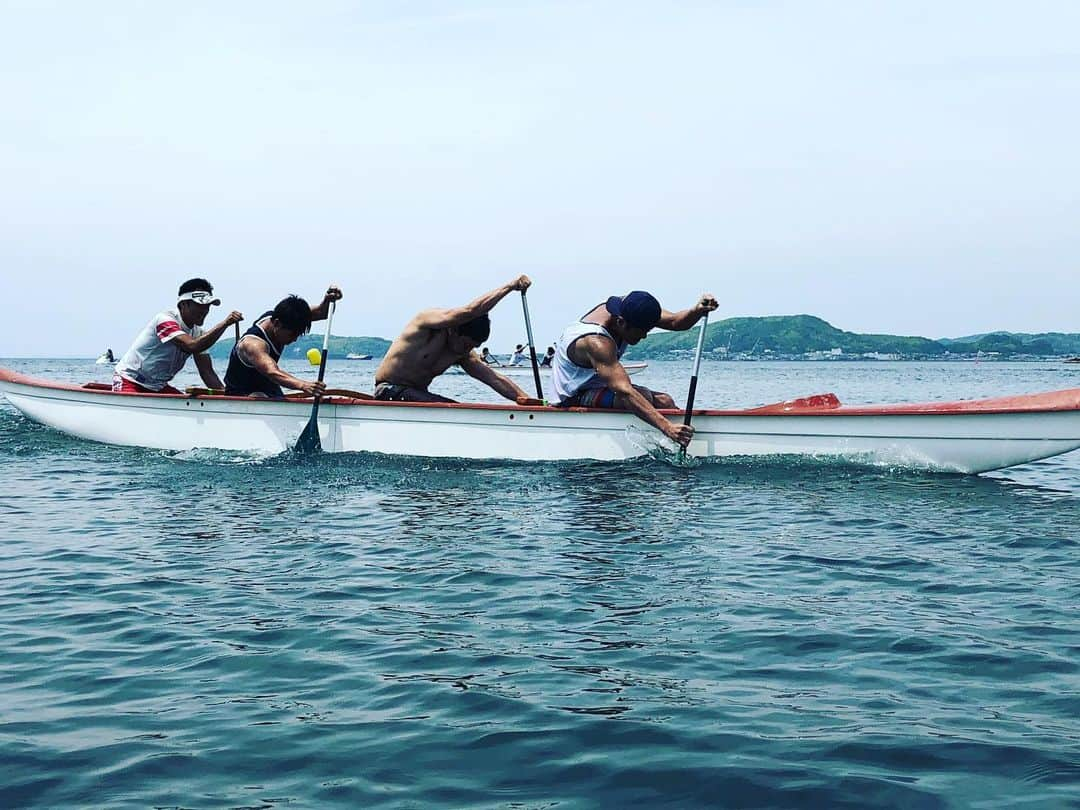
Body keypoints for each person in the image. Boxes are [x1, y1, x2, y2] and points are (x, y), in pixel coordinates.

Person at [552, 290, 718, 448]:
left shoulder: (633, 308)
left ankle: (678, 438)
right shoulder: (596, 342)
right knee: (643, 396)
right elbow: (624, 391)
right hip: (573, 395)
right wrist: (667, 427)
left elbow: (675, 321)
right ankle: (670, 433)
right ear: (621, 322)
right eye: (641, 332)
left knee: (664, 401)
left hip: (600, 385)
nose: (645, 336)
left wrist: (697, 310)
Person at [373, 276, 538, 403]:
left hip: (416, 396)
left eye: (473, 346)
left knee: (452, 406)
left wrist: (529, 402)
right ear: (453, 330)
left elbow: (494, 379)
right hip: (389, 390)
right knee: (449, 408)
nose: (467, 351)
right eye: (466, 344)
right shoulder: (426, 323)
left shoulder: (463, 355)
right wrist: (510, 286)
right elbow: (470, 311)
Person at [113, 279, 243, 394]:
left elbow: (207, 372)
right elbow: (191, 346)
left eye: (207, 306)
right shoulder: (165, 320)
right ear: (183, 304)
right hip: (129, 381)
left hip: (157, 387)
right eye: (199, 305)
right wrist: (225, 324)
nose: (204, 311)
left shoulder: (198, 333)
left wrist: (229, 397)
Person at [224, 286, 343, 398]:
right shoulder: (253, 344)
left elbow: (322, 313)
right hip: (241, 395)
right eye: (292, 334)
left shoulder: (286, 316)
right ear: (276, 324)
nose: (295, 339)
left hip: (268, 386)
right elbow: (272, 371)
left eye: (298, 335)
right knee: (259, 396)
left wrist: (328, 300)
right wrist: (304, 385)